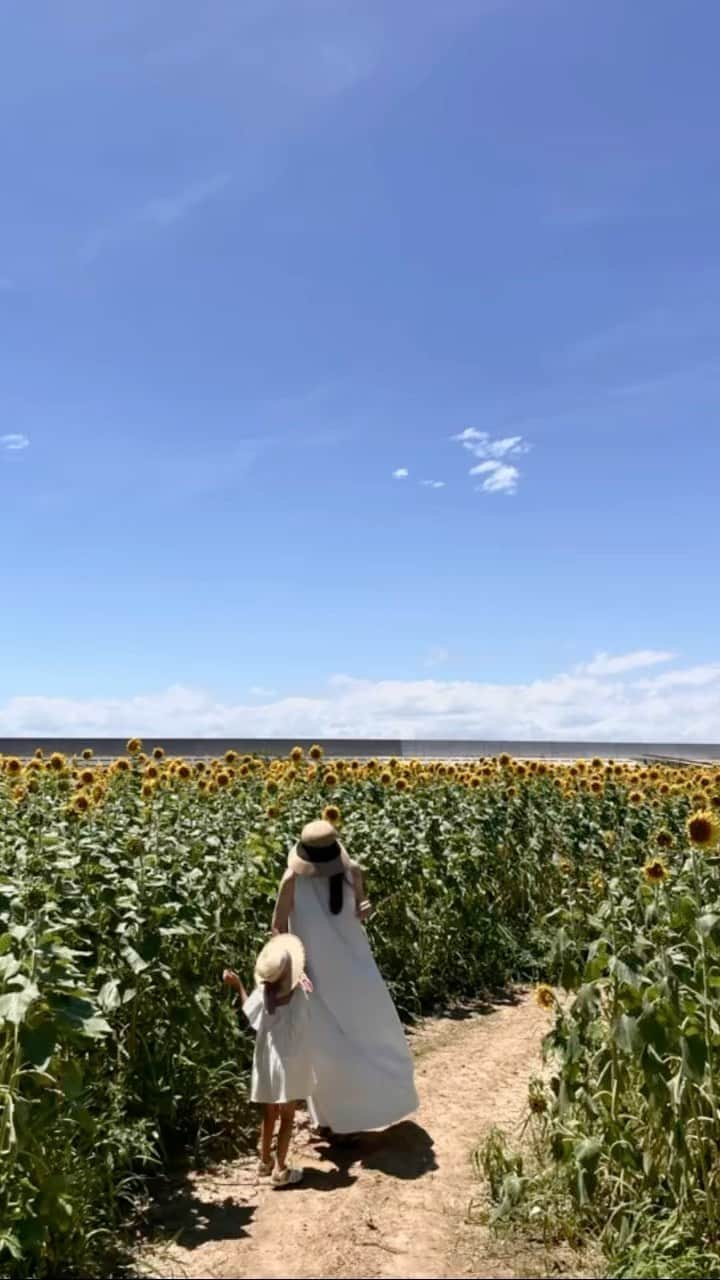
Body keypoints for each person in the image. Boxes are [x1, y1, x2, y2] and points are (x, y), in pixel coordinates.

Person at [272, 819, 419, 1136]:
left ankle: (350, 1117)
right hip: (318, 974)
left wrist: (364, 908)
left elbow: (358, 912)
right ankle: (334, 1121)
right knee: (332, 1045)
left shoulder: (350, 873)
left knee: (366, 1038)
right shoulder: (294, 881)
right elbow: (278, 928)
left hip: (348, 969)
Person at [223, 933, 313, 1187]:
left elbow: (249, 1011)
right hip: (287, 1062)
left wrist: (238, 984)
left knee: (269, 1112)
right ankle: (280, 1169)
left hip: (265, 1060)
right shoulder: (297, 998)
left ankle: (264, 1161)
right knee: (287, 1116)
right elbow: (304, 1025)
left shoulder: (263, 994)